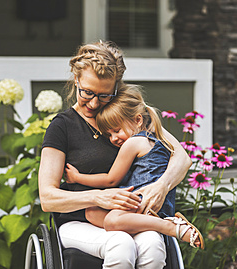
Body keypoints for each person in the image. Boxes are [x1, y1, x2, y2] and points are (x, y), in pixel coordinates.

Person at [38, 41, 192, 269]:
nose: (93, 103)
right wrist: (98, 197)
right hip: (81, 220)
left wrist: (161, 186)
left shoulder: (128, 116)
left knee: (152, 244)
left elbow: (182, 158)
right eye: (87, 92)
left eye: (104, 95)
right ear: (76, 79)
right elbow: (48, 198)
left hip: (128, 215)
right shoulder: (63, 127)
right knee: (120, 244)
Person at [65, 85, 204, 249]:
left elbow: (111, 180)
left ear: (138, 120)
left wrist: (76, 177)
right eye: (109, 134)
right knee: (92, 212)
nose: (113, 138)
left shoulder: (132, 143)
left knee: (111, 220)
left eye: (116, 130)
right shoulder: (154, 139)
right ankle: (137, 225)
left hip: (145, 203)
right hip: (156, 204)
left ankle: (170, 227)